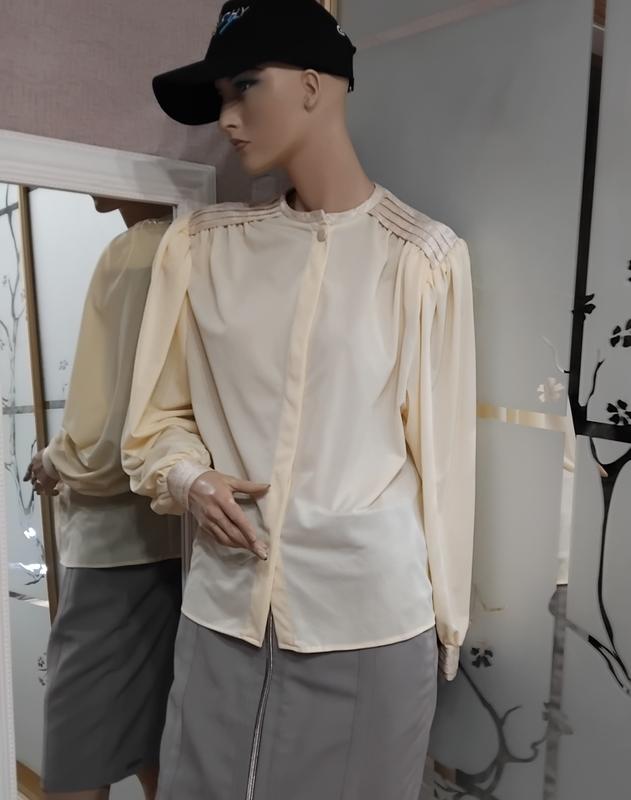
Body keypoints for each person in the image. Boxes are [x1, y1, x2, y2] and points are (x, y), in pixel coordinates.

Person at [122, 1, 477, 798]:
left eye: (244, 86)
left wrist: (448, 624)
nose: (227, 118)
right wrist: (188, 478)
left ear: (315, 85)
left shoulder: (418, 260)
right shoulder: (201, 250)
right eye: (220, 97)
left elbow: (444, 464)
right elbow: (156, 423)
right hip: (224, 614)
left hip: (369, 625)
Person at [25, 197, 182, 800]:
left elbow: (112, 435)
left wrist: (53, 460)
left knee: (75, 754)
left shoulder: (137, 250)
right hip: (182, 541)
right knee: (160, 741)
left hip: (114, 544)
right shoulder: (202, 238)